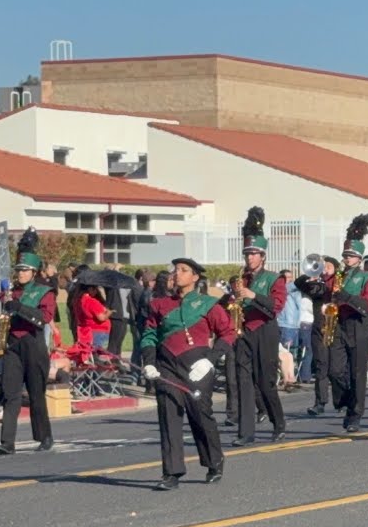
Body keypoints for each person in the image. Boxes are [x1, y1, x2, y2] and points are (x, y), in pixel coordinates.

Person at [140, 257, 235, 490]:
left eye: (183, 270)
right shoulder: (159, 305)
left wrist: (210, 360)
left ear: (194, 277)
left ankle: (214, 460)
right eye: (175, 270)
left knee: (200, 413)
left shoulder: (208, 304)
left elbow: (228, 333)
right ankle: (171, 472)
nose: (177, 274)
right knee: (168, 414)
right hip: (168, 365)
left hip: (198, 364)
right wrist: (150, 362)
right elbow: (149, 334)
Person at [228, 207, 288, 447]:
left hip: (265, 331)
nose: (249, 257)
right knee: (244, 382)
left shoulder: (274, 278)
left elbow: (276, 306)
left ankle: (279, 423)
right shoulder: (241, 278)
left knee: (265, 383)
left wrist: (252, 294)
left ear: (262, 256)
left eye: (254, 253)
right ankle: (246, 432)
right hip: (243, 332)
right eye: (247, 253)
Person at [0, 229, 56, 455]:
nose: (19, 274)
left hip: (33, 344)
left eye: (24, 271)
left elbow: (44, 319)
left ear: (33, 272)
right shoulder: (12, 292)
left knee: (36, 393)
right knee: (10, 393)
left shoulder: (44, 292)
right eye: (18, 270)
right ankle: (7, 442)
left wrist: (20, 308)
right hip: (13, 345)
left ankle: (45, 435)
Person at [333, 216, 368, 432]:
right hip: (339, 324)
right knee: (335, 369)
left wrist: (346, 297)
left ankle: (355, 414)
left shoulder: (367, 278)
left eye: (351, 256)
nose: (347, 259)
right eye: (345, 255)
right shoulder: (337, 276)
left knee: (357, 373)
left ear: (359, 258)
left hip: (359, 325)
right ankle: (345, 399)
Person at [296, 256, 345, 418]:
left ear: (336, 269)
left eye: (328, 267)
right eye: (323, 267)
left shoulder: (339, 282)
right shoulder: (316, 283)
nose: (325, 270)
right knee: (321, 367)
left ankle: (341, 401)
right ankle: (320, 403)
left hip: (337, 329)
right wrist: (313, 277)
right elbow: (299, 282)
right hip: (319, 330)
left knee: (336, 370)